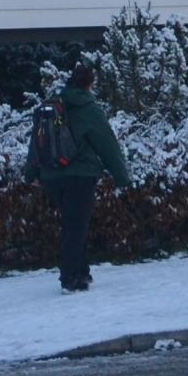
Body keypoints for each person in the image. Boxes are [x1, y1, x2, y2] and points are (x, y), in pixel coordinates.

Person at [36, 62, 131, 292]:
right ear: (90, 83)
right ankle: (70, 278)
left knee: (74, 224)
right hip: (80, 175)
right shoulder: (88, 109)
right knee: (76, 226)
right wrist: (122, 177)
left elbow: (37, 141)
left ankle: (81, 271)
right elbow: (107, 143)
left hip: (51, 175)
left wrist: (32, 172)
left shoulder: (53, 105)